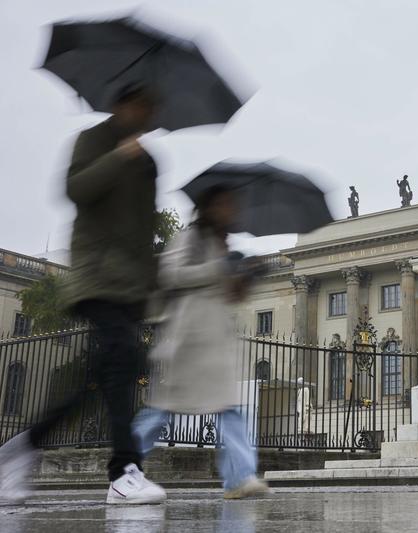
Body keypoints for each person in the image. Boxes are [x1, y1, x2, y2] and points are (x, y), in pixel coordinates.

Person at [0, 84, 166, 505]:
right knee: (119, 368)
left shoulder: (149, 163)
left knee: (108, 372)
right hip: (97, 277)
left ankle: (22, 449)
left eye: (152, 108)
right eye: (141, 105)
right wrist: (118, 156)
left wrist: (151, 287)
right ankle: (124, 472)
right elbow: (76, 189)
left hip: (129, 288)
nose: (147, 114)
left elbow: (144, 230)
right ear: (122, 106)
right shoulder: (94, 140)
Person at [132, 185, 270, 500]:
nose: (230, 209)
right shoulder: (190, 238)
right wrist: (218, 267)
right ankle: (124, 465)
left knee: (229, 411)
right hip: (188, 337)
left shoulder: (223, 245)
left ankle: (239, 478)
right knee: (161, 411)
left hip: (215, 340)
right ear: (208, 208)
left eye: (231, 204)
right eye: (224, 203)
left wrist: (249, 276)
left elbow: (232, 295)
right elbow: (172, 274)